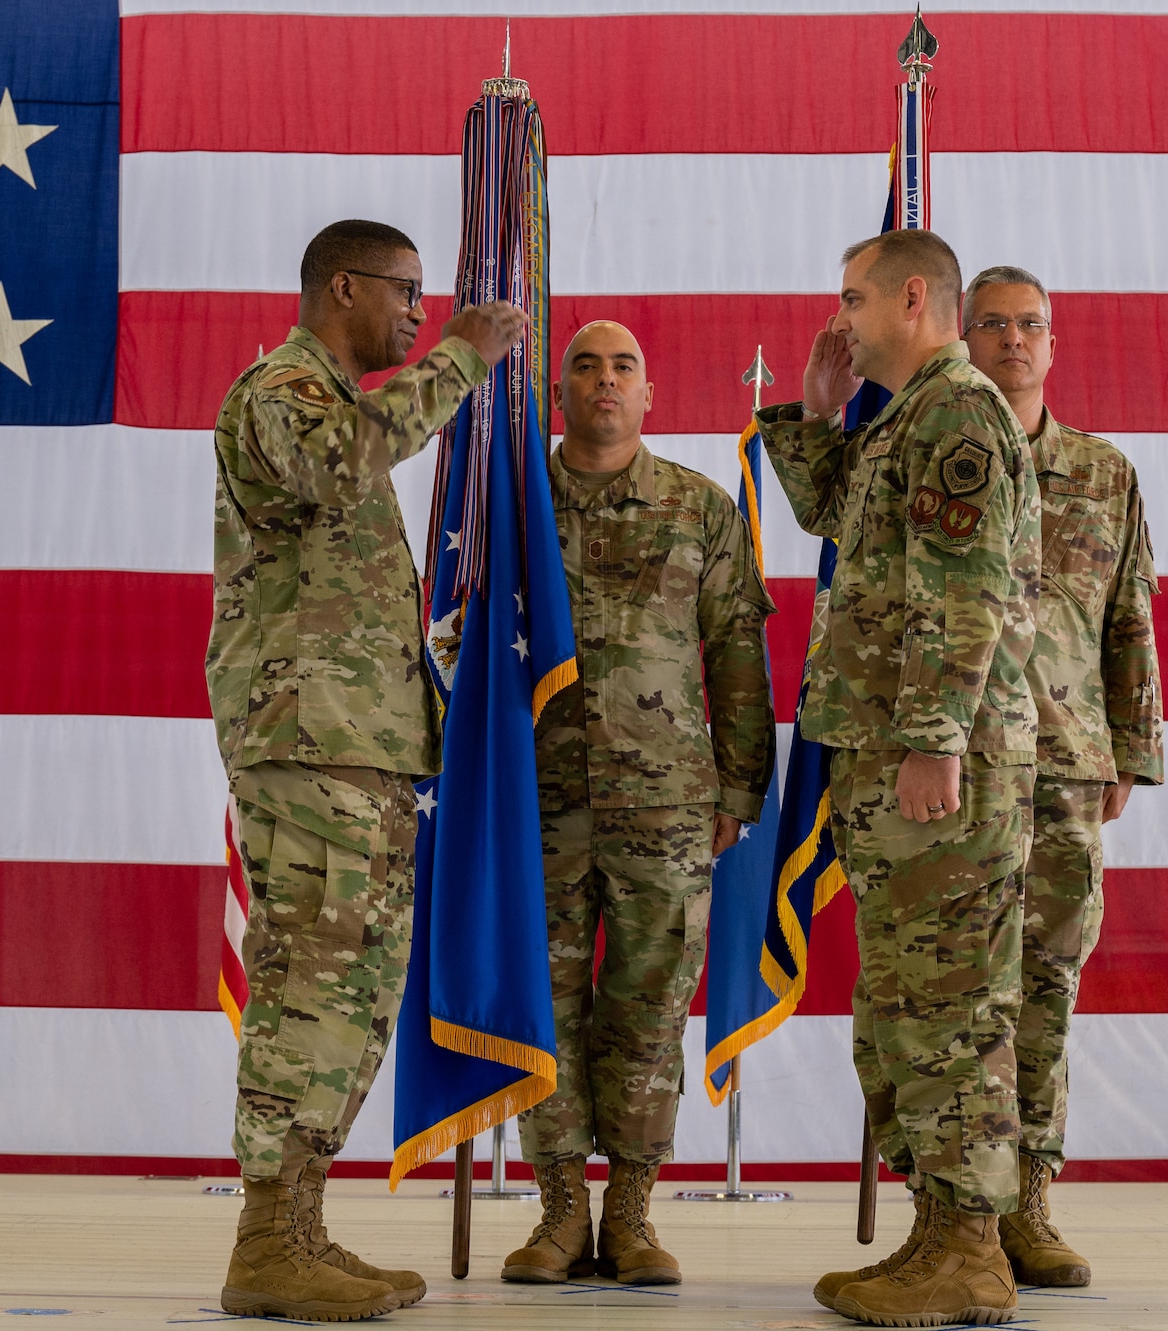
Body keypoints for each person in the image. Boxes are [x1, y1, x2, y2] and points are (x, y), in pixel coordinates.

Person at [206, 218, 525, 1322]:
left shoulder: (333, 399)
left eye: (427, 300)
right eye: (405, 293)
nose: (418, 314)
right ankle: (263, 1234)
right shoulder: (283, 395)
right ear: (340, 286)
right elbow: (341, 464)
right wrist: (463, 358)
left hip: (360, 745)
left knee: (350, 990)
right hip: (308, 742)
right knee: (309, 981)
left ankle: (295, 1223)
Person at [757, 231, 1040, 1327]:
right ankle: (939, 1229)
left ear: (911, 298)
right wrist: (815, 413)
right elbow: (835, 522)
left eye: (852, 299)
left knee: (951, 1002)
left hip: (935, 765)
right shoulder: (903, 418)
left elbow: (961, 592)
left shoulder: (958, 414)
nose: (840, 318)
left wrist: (931, 736)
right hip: (886, 753)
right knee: (902, 1005)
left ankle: (970, 1247)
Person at [501, 321, 777, 1287]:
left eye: (623, 367)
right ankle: (559, 1211)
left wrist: (742, 784)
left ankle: (631, 1209)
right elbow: (459, 639)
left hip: (668, 802)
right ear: (560, 390)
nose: (604, 380)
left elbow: (738, 650)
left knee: (651, 1004)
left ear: (649, 393)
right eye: (584, 364)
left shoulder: (698, 508)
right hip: (537, 800)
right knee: (547, 999)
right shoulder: (509, 505)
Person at [965, 266, 1163, 1287]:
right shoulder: (933, 455)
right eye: (991, 324)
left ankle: (1028, 1202)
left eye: (1028, 325)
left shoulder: (1100, 470)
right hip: (947, 771)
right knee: (956, 994)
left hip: (1062, 766)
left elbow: (1125, 613)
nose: (1011, 340)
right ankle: (951, 1208)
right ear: (960, 338)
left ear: (1053, 343)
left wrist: (1129, 746)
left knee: (1041, 990)